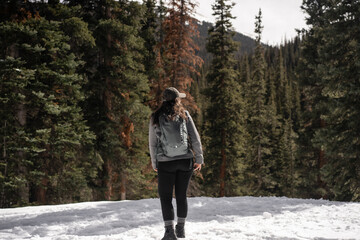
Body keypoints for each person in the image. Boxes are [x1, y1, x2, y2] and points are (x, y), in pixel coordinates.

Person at [149, 87, 204, 240]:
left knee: (165, 197)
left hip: (165, 162)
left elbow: (152, 144)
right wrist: (199, 159)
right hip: (185, 160)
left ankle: (169, 232)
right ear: (177, 100)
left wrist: (155, 162)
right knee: (181, 196)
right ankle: (181, 229)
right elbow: (195, 138)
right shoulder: (184, 115)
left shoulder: (155, 117)